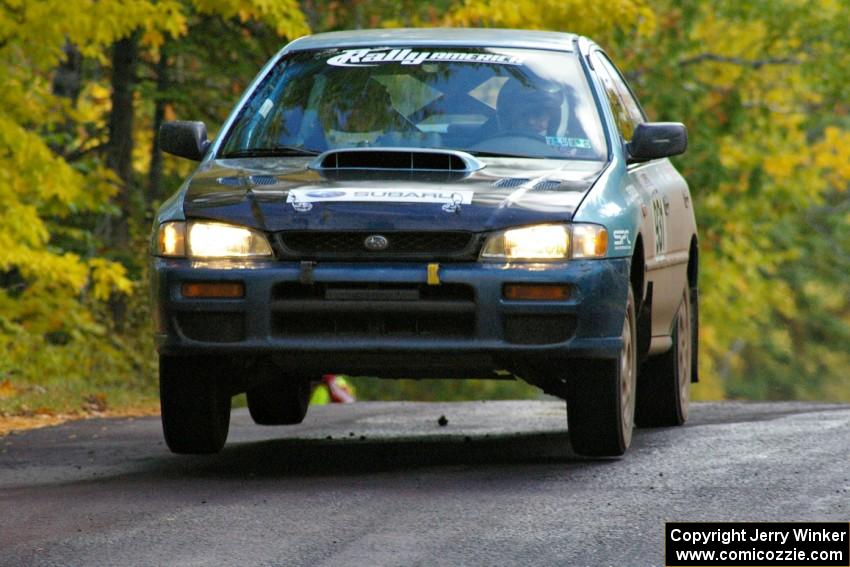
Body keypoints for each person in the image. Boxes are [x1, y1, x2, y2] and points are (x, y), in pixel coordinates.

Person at [495, 80, 564, 137]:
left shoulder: (557, 151)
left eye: (538, 115)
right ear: (508, 112)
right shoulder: (489, 144)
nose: (531, 122)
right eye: (524, 114)